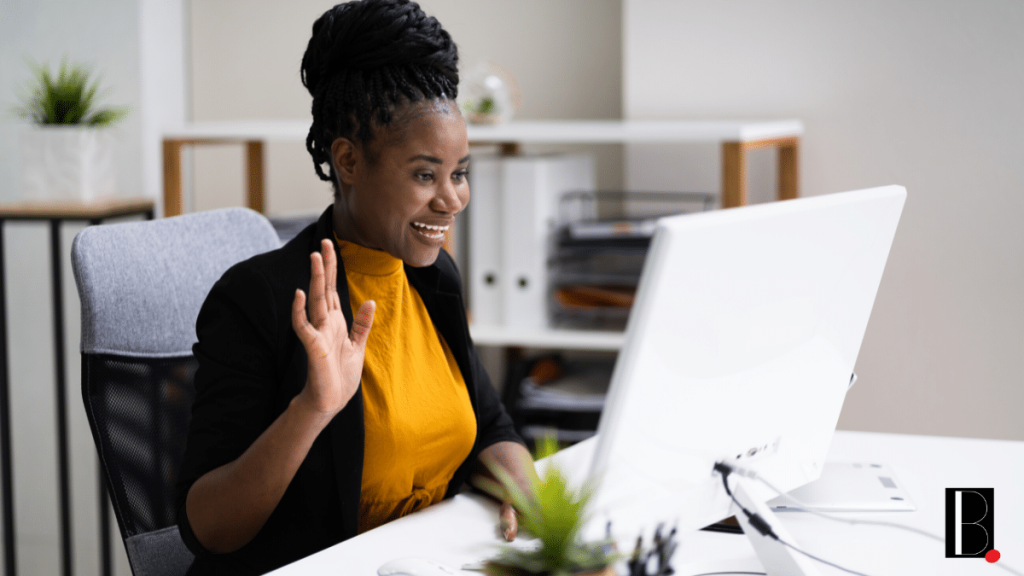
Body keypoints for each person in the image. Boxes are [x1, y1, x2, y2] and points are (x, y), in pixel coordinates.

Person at [174, 1, 536, 573]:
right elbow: (207, 528)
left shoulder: (433, 278)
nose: (452, 199)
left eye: (459, 172)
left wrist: (526, 494)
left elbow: (490, 424)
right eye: (424, 175)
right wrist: (312, 409)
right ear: (348, 160)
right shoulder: (261, 299)